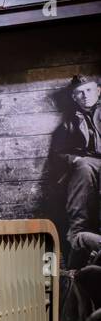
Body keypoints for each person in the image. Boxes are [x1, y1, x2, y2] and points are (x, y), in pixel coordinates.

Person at [59, 75, 101, 262]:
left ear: (99, 91)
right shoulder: (69, 123)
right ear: (74, 97)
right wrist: (75, 159)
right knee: (83, 167)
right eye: (80, 93)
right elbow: (58, 154)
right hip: (85, 164)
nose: (85, 95)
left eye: (89, 90)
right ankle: (76, 237)